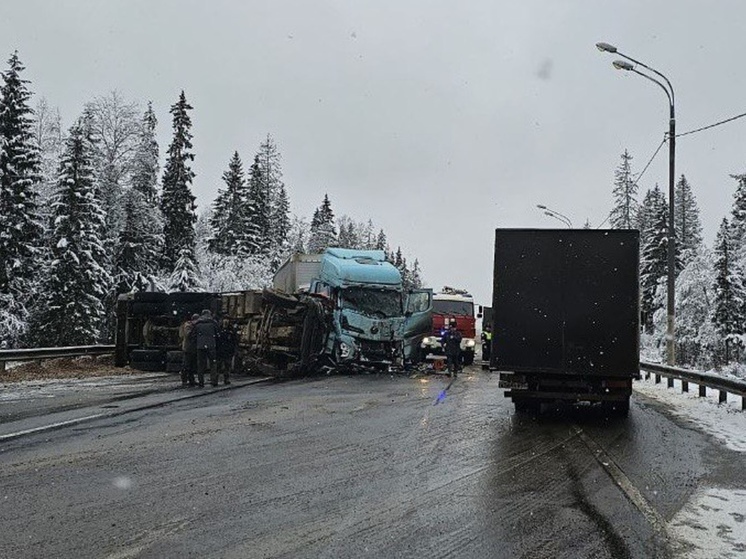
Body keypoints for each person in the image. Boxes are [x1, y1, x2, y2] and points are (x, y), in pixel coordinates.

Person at [190, 309, 219, 387]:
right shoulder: (213, 323)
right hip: (211, 345)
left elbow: (193, 336)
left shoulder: (198, 324)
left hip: (200, 346)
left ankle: (201, 381)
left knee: (200, 364)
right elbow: (218, 335)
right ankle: (214, 380)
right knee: (213, 363)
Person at [179, 313, 199, 387]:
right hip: (188, 348)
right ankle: (184, 380)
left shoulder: (193, 326)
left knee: (192, 366)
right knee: (186, 365)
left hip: (193, 348)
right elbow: (188, 335)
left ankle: (191, 380)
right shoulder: (188, 325)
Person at [215, 318, 237, 385]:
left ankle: (221, 379)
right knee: (221, 366)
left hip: (224, 351)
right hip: (223, 351)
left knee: (225, 366)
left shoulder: (221, 331)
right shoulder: (228, 331)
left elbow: (234, 341)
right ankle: (218, 379)